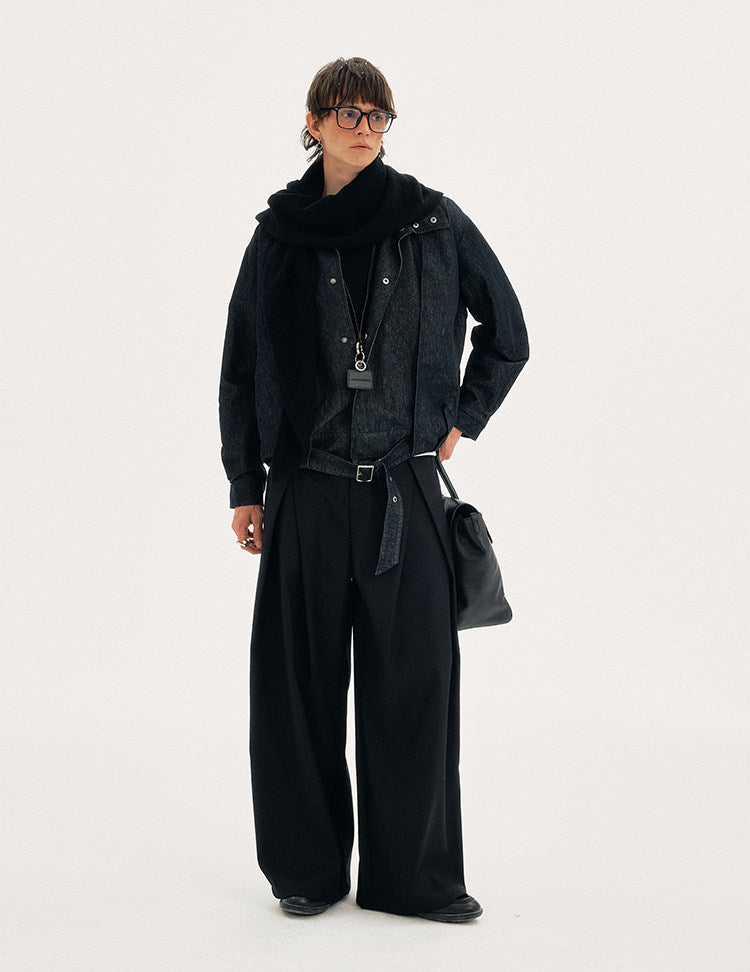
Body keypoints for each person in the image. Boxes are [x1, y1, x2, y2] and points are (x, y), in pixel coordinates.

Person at [218, 56, 529, 922]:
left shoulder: (434, 221)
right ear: (312, 122)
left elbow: (508, 332)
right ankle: (307, 873)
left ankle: (414, 880)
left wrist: (462, 418)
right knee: (297, 692)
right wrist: (246, 483)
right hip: (306, 490)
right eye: (347, 112)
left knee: (415, 690)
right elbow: (241, 367)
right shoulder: (277, 236)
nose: (364, 127)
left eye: (378, 114)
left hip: (405, 488)